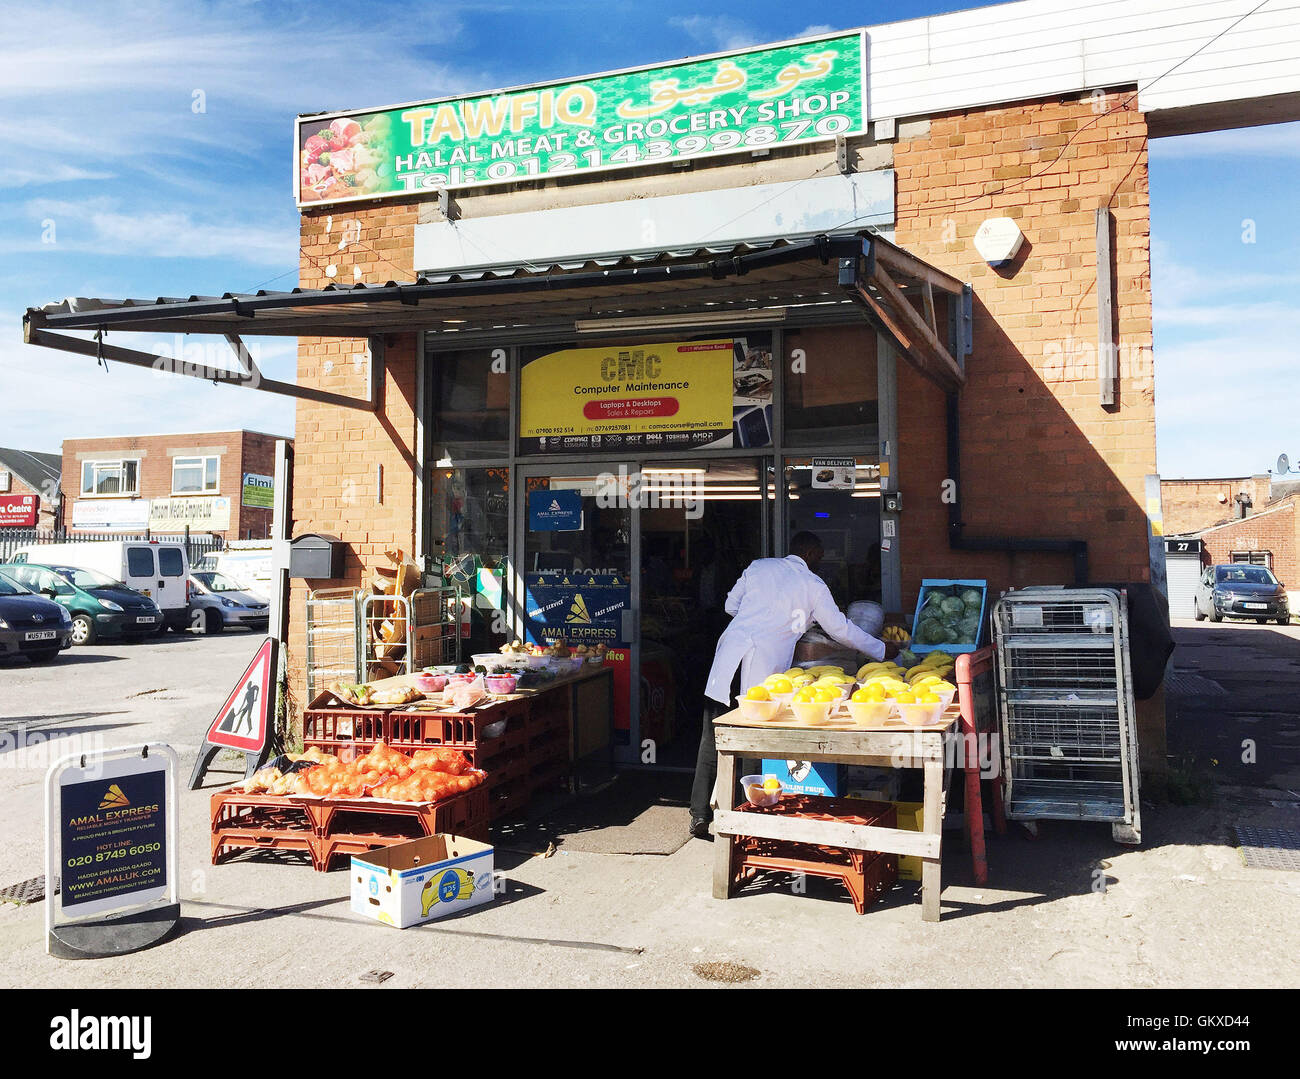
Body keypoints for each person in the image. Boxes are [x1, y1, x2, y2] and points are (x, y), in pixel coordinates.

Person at [688, 531, 895, 838]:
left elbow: (731, 606)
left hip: (727, 660)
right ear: (811, 553)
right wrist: (880, 649)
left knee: (711, 739)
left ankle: (698, 815)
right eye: (820, 557)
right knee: (751, 745)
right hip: (758, 672)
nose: (820, 563)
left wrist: (764, 615)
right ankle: (747, 822)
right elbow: (841, 629)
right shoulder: (812, 585)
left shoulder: (758, 566)